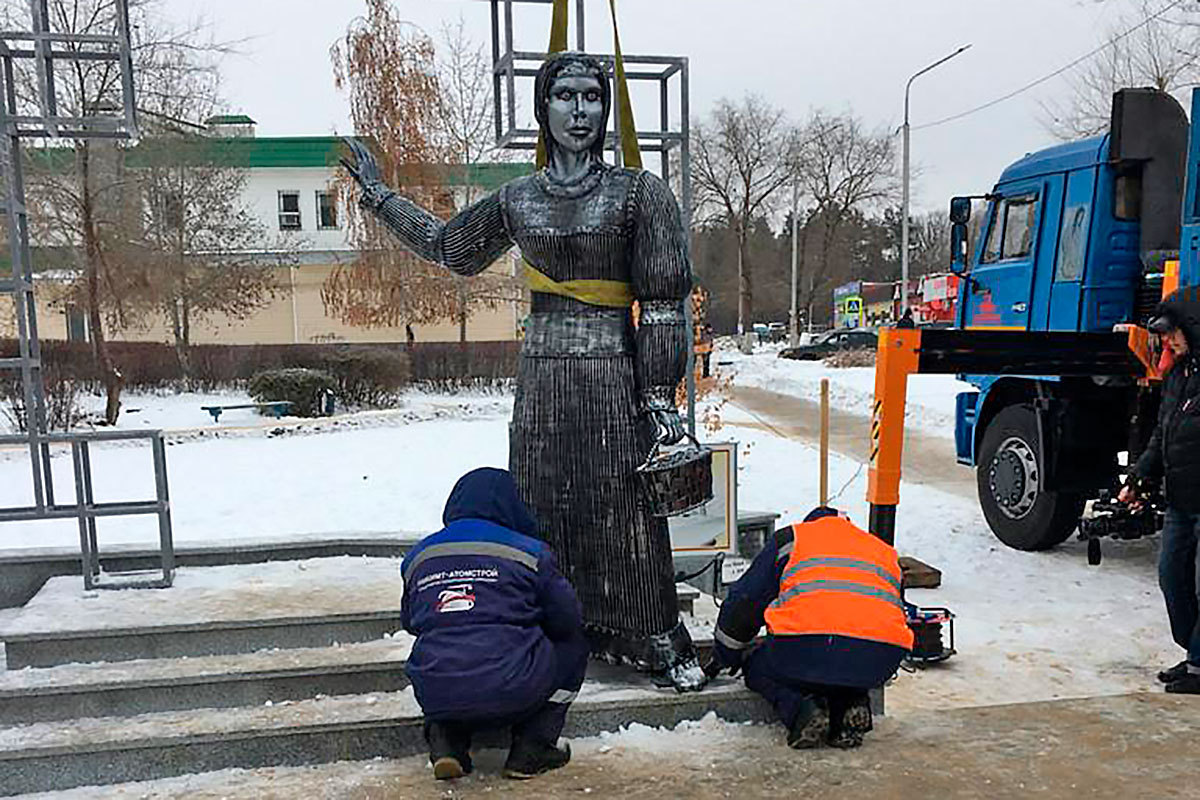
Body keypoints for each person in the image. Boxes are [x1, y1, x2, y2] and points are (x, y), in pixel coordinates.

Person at [343, 50, 705, 691]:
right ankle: (540, 624)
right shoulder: (519, 199)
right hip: (540, 377)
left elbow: (665, 303)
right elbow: (450, 247)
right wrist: (379, 198)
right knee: (541, 502)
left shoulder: (636, 194)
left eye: (592, 96)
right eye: (565, 95)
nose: (579, 110)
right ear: (544, 108)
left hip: (613, 372)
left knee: (623, 505)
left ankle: (650, 631)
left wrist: (657, 392)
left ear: (606, 108)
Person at [401, 468, 588, 780]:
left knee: (441, 652)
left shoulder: (420, 555)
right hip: (513, 688)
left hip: (436, 692)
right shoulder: (530, 553)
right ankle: (534, 746)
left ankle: (445, 742)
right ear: (511, 504)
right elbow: (568, 620)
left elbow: (410, 621)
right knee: (574, 647)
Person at [709, 506, 913, 748]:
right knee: (845, 662)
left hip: (806, 648)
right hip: (880, 658)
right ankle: (850, 705)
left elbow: (746, 601)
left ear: (811, 523)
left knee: (757, 665)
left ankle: (803, 711)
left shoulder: (793, 540)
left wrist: (727, 654)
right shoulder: (882, 550)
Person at [1120, 286, 1200, 694]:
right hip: (1182, 498)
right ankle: (1194, 654)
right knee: (1172, 576)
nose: (1167, 341)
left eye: (1172, 333)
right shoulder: (1180, 375)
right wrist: (1138, 477)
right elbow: (1162, 432)